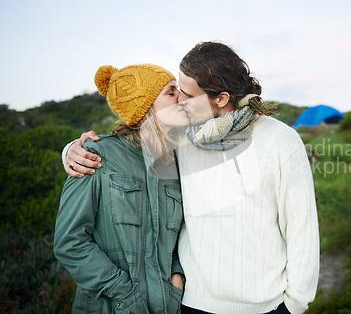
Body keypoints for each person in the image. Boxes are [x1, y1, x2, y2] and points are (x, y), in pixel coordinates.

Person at [63, 41, 320, 314]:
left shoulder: (281, 140)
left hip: (266, 306)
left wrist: (294, 304)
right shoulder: (182, 138)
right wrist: (72, 150)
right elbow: (135, 142)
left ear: (220, 99)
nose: (179, 101)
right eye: (176, 91)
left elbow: (302, 227)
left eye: (186, 94)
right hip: (191, 304)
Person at [54, 64, 189, 313]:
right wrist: (122, 291)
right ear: (145, 105)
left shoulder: (176, 162)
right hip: (110, 306)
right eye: (171, 92)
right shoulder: (96, 154)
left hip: (168, 307)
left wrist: (177, 278)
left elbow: (181, 236)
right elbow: (69, 241)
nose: (182, 97)